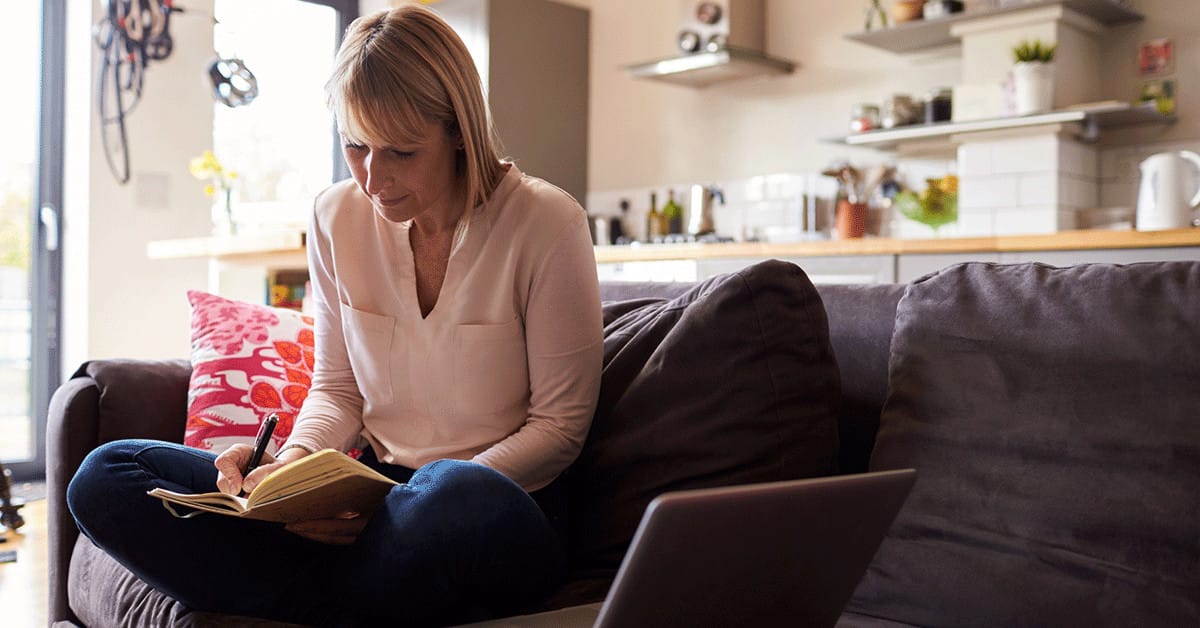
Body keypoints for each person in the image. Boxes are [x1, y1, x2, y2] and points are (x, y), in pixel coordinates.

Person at [67, 5, 603, 626]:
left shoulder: (546, 223)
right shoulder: (333, 217)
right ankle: (349, 595)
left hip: (501, 507)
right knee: (106, 475)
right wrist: (290, 472)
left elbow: (560, 429)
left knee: (455, 492)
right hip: (372, 503)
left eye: (401, 152)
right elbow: (337, 389)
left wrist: (399, 503)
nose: (373, 179)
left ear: (459, 131)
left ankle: (307, 590)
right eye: (355, 146)